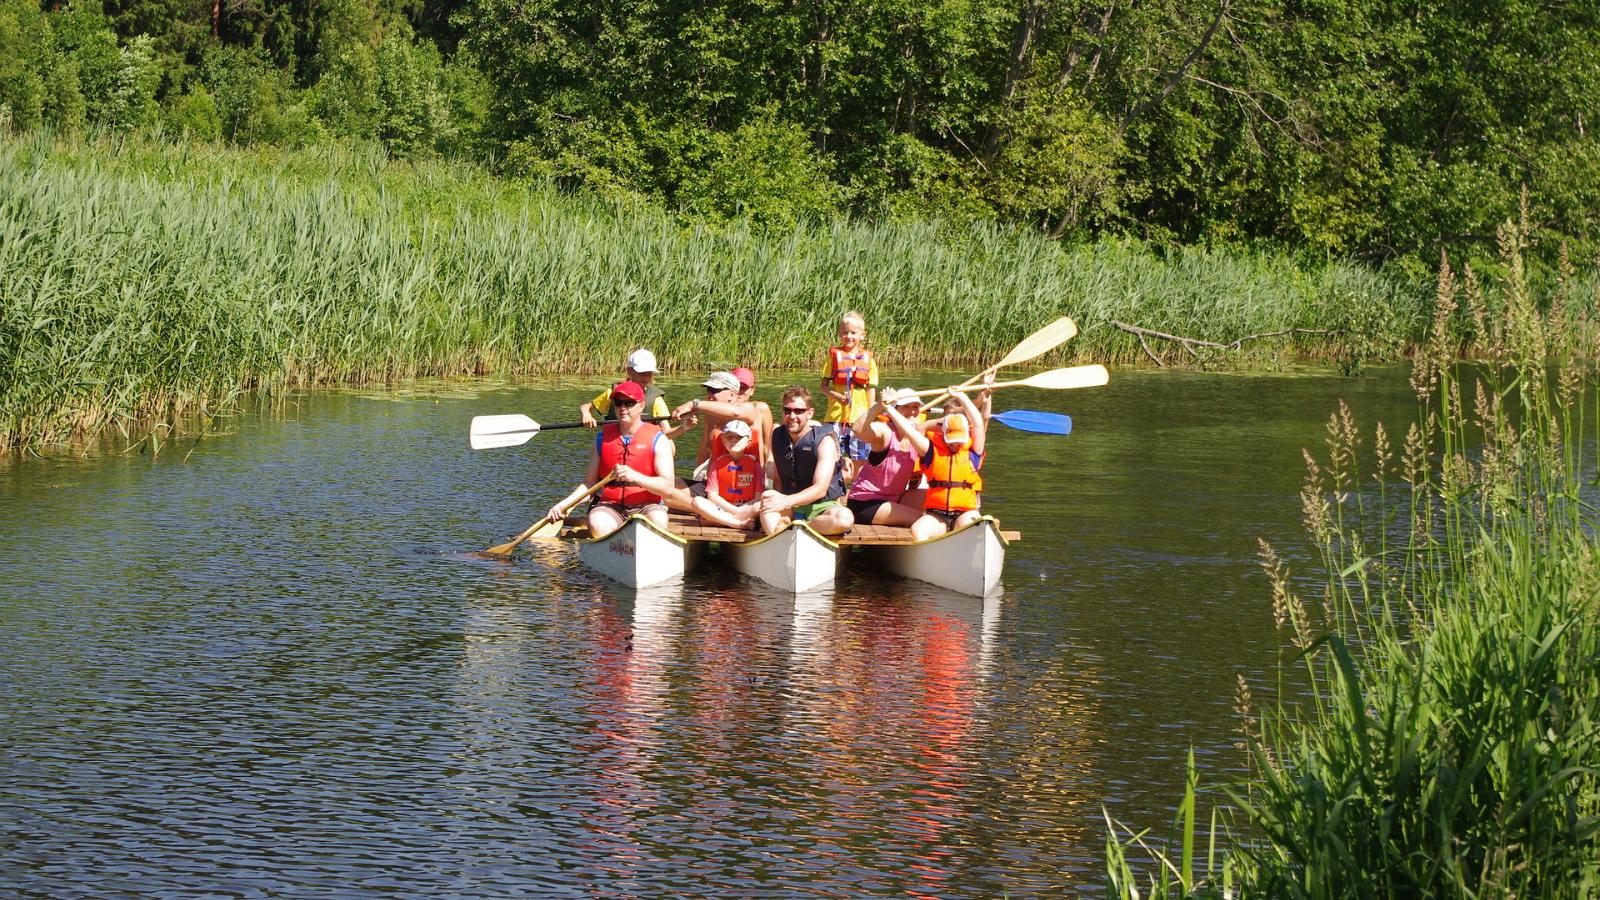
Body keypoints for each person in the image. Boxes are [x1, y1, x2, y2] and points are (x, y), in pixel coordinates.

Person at [545, 381, 678, 539]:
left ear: (641, 406)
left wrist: (635, 477)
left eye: (629, 403)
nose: (623, 408)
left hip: (647, 505)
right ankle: (618, 549)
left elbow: (668, 487)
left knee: (658, 519)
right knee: (596, 521)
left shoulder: (658, 438)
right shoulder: (601, 439)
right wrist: (565, 504)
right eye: (618, 403)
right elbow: (589, 484)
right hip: (611, 506)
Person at [890, 380, 991, 541]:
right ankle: (925, 561)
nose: (957, 443)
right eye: (952, 440)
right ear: (943, 434)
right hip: (937, 515)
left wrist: (961, 395)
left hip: (965, 512)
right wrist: (889, 408)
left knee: (975, 526)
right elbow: (910, 431)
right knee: (917, 530)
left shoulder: (973, 451)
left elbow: (979, 422)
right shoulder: (930, 451)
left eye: (960, 439)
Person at [759, 386, 855, 536]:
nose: (792, 416)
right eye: (787, 411)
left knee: (844, 519)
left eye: (798, 411)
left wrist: (786, 502)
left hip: (822, 505)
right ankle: (780, 532)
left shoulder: (824, 441)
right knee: (767, 499)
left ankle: (800, 527)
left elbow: (820, 489)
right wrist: (777, 504)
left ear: (810, 413)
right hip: (789, 504)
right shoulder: (777, 436)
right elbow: (778, 479)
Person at [844, 387, 928, 527]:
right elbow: (858, 430)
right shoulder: (885, 431)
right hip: (865, 502)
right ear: (895, 409)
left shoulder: (917, 434)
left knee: (936, 506)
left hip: (895, 499)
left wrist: (976, 401)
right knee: (922, 520)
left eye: (915, 407)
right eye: (906, 406)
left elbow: (951, 420)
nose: (912, 411)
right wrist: (880, 405)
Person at [671, 370, 767, 478]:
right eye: (708, 390)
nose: (710, 395)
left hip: (748, 480)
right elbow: (706, 445)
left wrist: (693, 404)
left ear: (731, 394)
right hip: (716, 482)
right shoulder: (710, 415)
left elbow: (736, 412)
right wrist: (696, 476)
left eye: (714, 390)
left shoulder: (753, 408)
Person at [818, 311, 877, 482]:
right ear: (839, 333)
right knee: (832, 456)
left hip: (859, 418)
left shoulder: (868, 359)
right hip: (835, 417)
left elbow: (870, 389)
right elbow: (823, 387)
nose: (848, 336)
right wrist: (836, 396)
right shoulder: (833, 357)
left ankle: (856, 494)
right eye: (845, 332)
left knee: (860, 460)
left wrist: (870, 416)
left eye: (853, 333)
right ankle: (832, 491)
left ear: (862, 335)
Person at [580, 348, 686, 437]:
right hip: (615, 443)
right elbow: (585, 406)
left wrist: (685, 426)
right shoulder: (614, 392)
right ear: (629, 371)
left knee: (670, 446)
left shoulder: (655, 399)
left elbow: (667, 432)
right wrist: (586, 414)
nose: (645, 378)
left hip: (642, 448)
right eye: (641, 373)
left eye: (648, 373)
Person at [691, 419, 764, 529]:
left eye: (739, 437)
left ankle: (717, 521)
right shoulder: (717, 465)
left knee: (760, 505)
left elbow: (758, 497)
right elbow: (712, 497)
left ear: (748, 441)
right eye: (729, 437)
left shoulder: (755, 466)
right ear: (723, 441)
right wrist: (735, 511)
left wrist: (742, 509)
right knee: (697, 502)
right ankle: (736, 523)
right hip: (723, 507)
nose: (734, 440)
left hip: (746, 507)